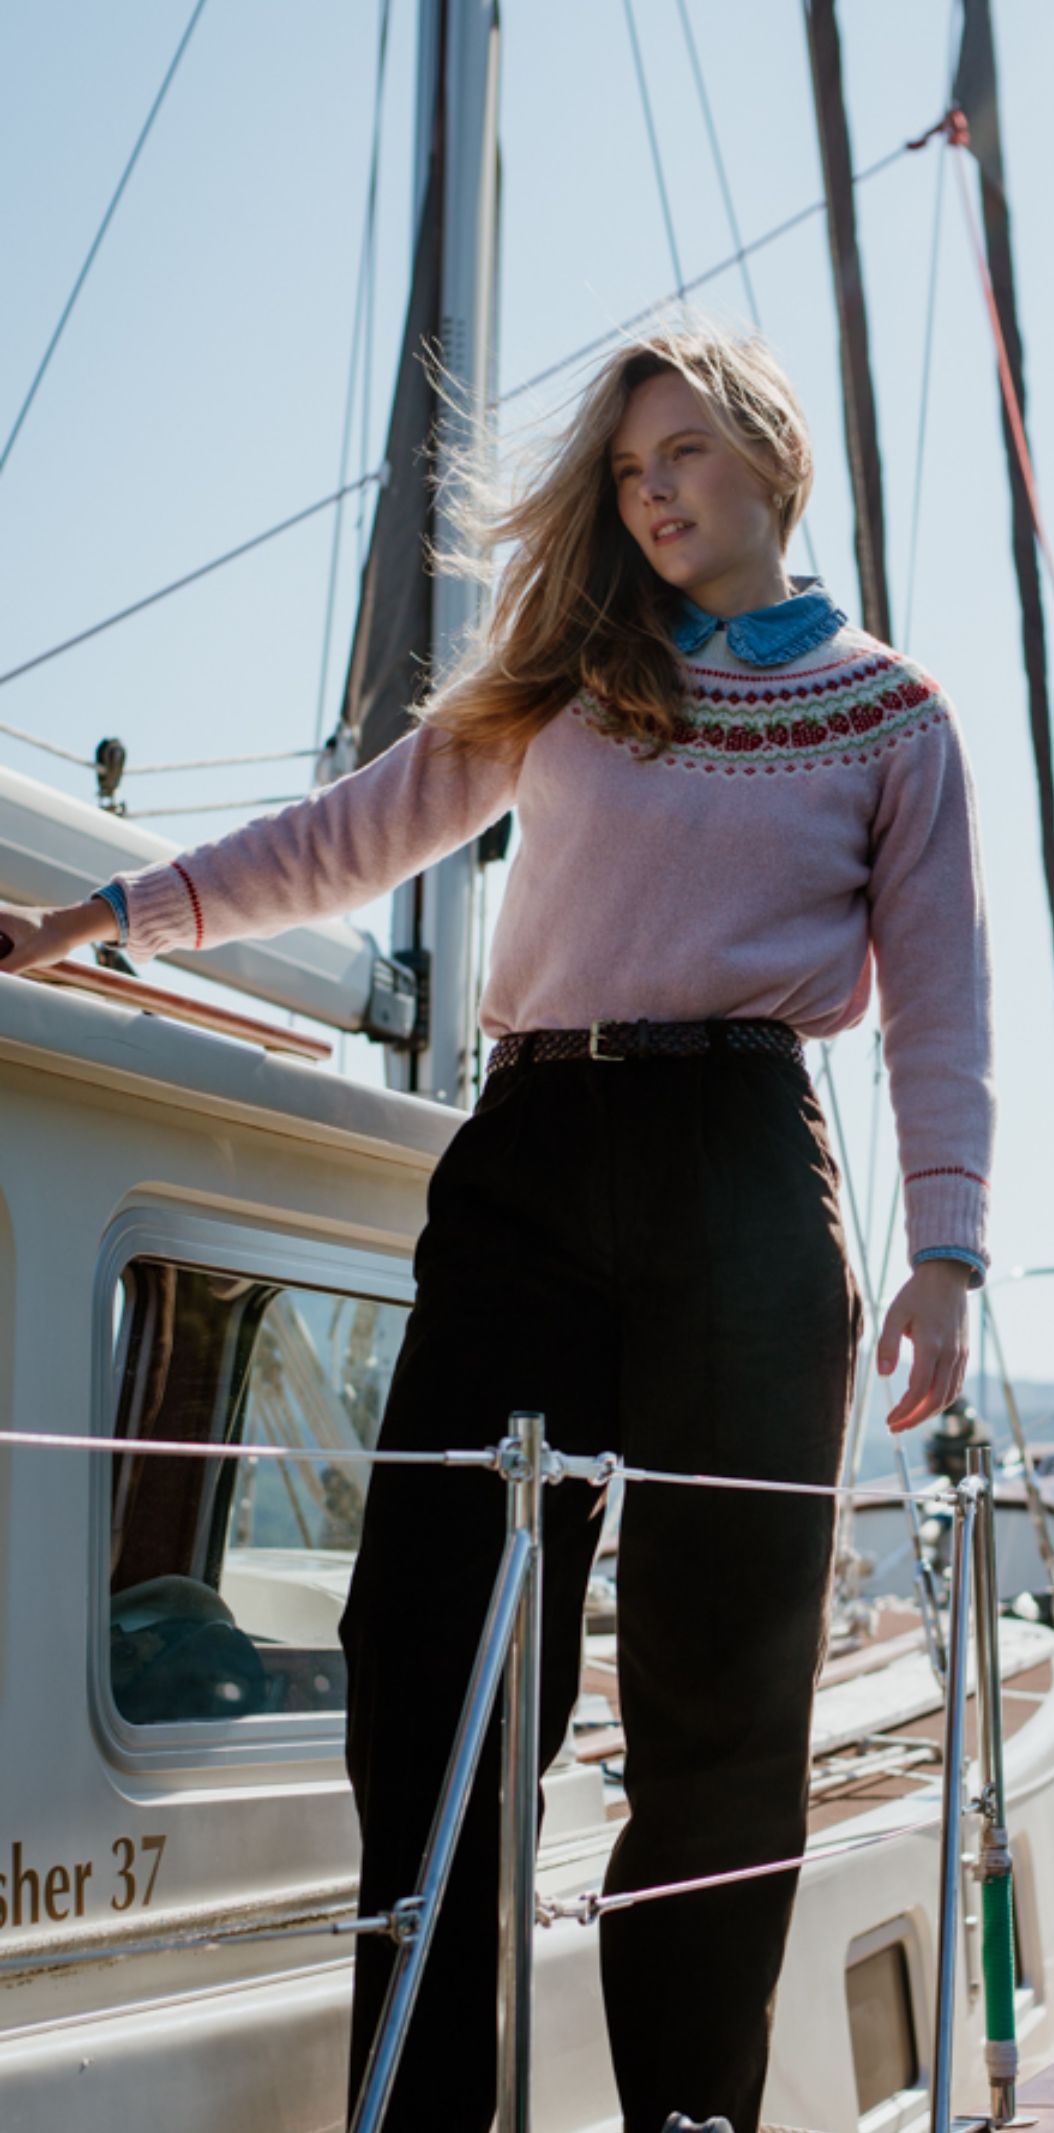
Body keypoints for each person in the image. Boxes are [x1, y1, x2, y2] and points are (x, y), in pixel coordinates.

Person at [0, 322, 995, 2133]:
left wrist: (948, 1248)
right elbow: (350, 834)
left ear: (772, 457)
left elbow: (937, 1000)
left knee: (720, 1700)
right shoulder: (573, 677)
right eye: (628, 471)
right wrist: (115, 914)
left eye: (683, 454)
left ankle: (689, 2113)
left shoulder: (893, 720)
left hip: (747, 1183)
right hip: (532, 1157)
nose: (653, 492)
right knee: (426, 1650)